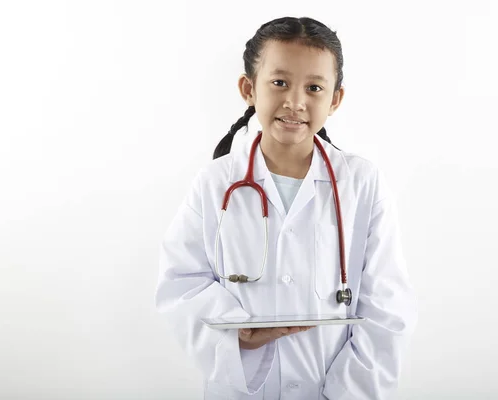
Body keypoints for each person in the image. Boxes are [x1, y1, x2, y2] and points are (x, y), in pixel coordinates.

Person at [155, 16, 417, 400]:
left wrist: (348, 392)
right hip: (245, 388)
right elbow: (181, 282)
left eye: (314, 87)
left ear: (335, 99)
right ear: (249, 88)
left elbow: (387, 309)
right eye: (279, 83)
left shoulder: (362, 184)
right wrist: (237, 332)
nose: (295, 102)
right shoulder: (215, 184)